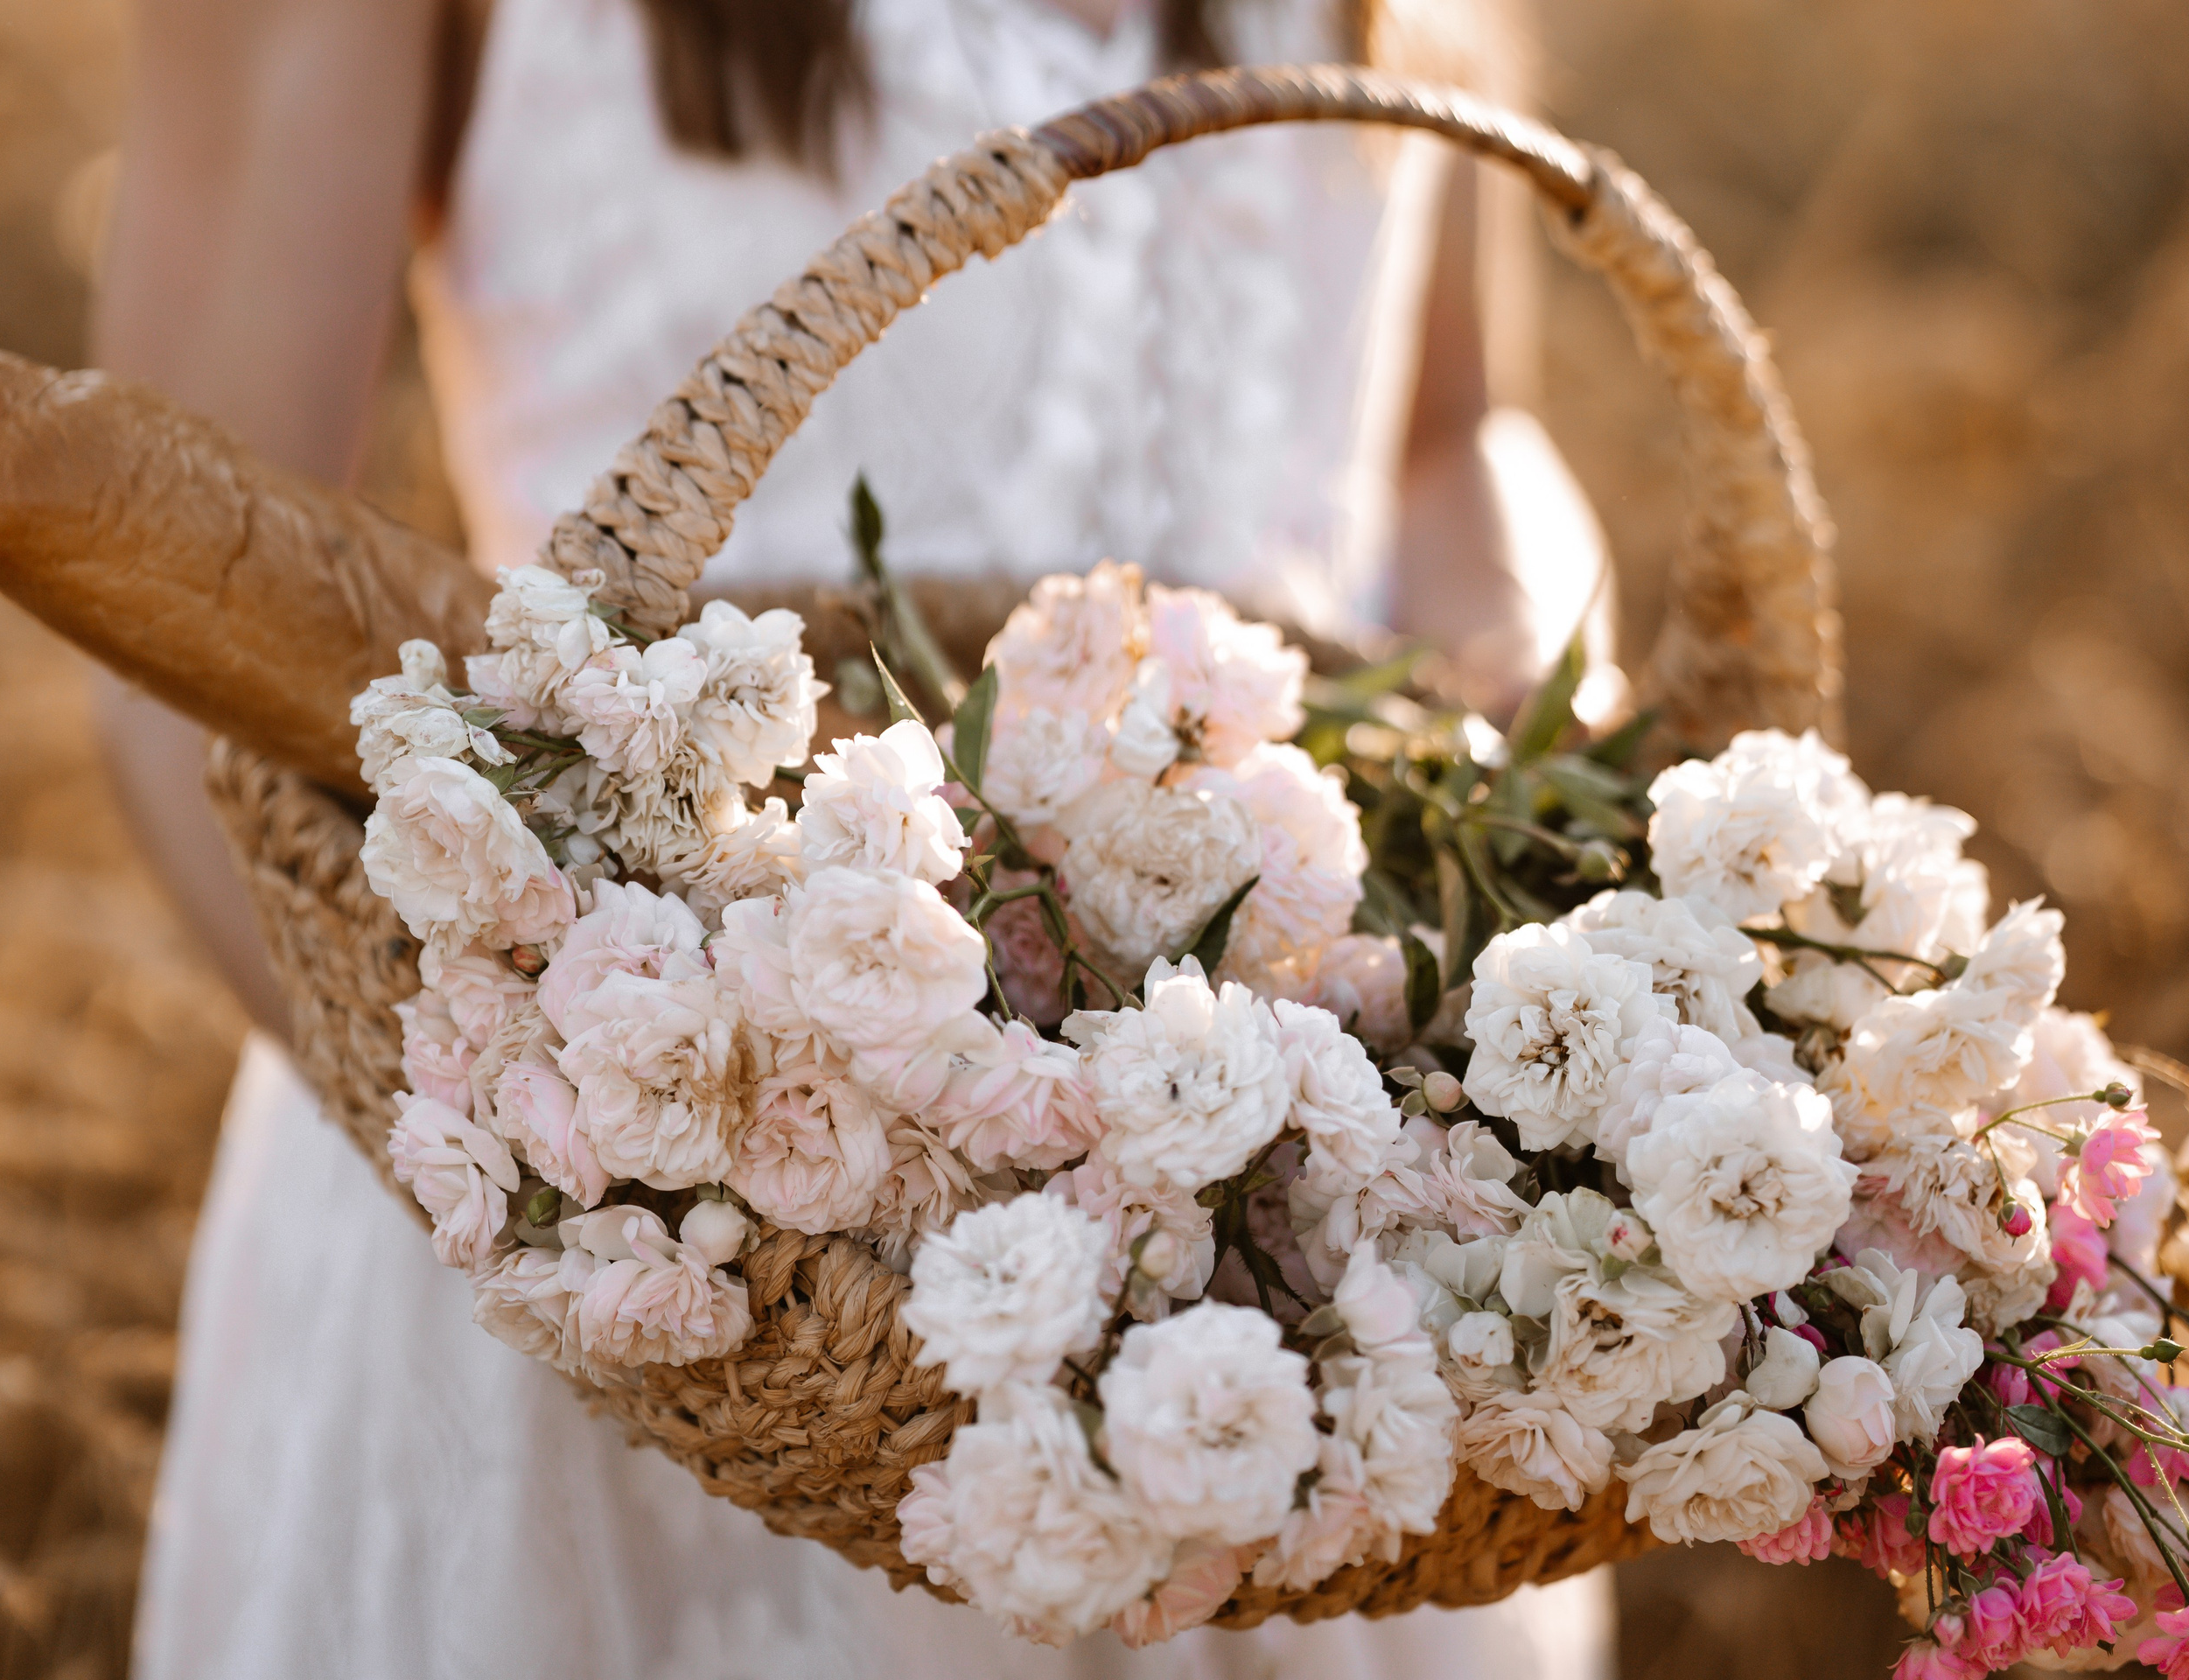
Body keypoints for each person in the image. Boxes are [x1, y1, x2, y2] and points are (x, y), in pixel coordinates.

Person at [94, 0, 1619, 1675]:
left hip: (1294, 1222)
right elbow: (176, 610)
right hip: (649, 1218)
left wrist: (1555, 789)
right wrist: (628, 1244)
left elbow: (1443, 434)